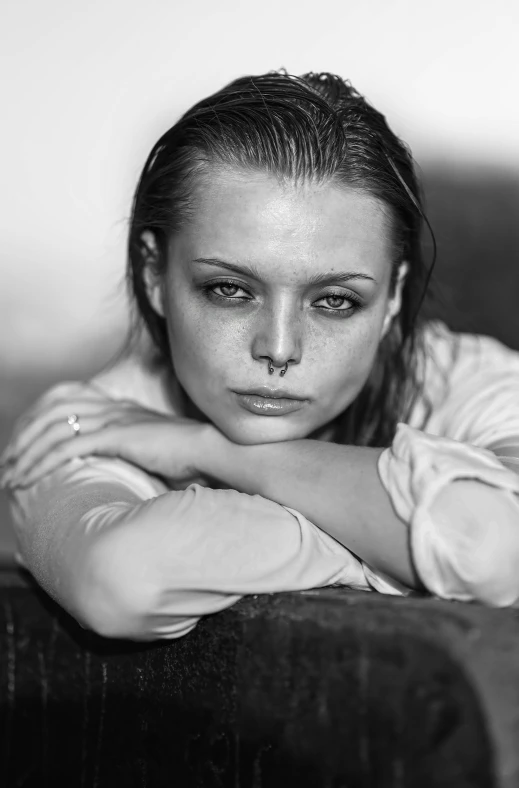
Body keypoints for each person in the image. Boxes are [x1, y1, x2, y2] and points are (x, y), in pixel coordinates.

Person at [1, 71, 519, 641]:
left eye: (335, 301)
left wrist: (211, 450)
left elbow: (490, 544)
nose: (277, 348)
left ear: (393, 296)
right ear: (154, 275)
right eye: (230, 290)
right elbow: (122, 581)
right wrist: (394, 546)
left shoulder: (469, 385)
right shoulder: (79, 430)